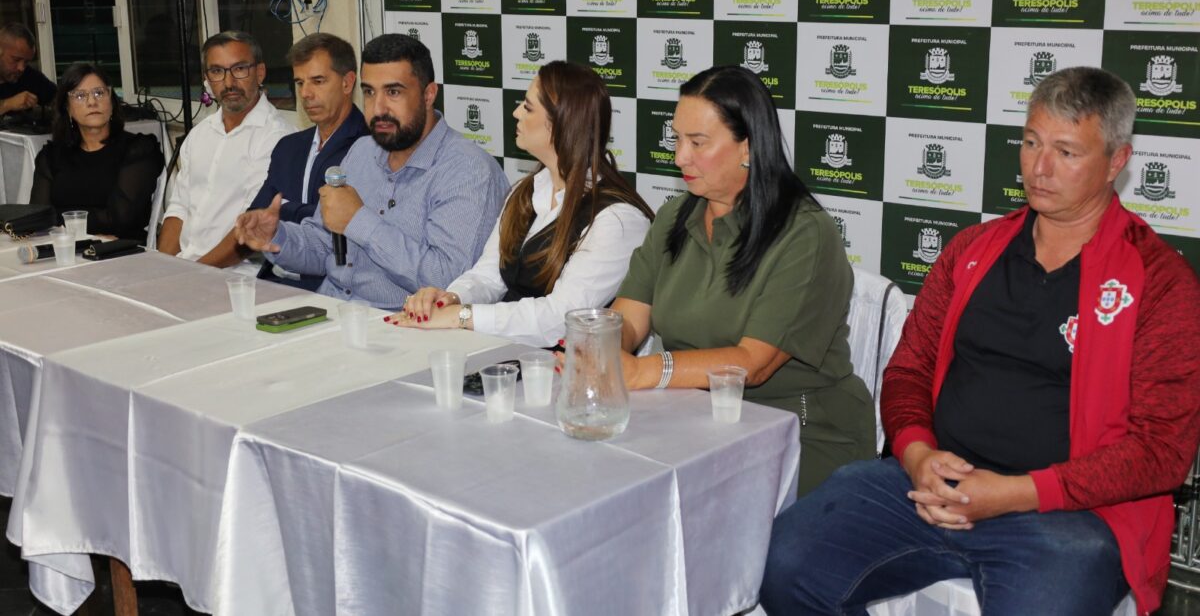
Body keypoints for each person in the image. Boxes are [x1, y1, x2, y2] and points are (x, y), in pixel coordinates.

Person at [759, 67, 1200, 616]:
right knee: (783, 565)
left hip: (1067, 515)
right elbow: (908, 369)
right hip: (928, 486)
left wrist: (1017, 493)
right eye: (1032, 143)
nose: (1039, 168)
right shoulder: (973, 250)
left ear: (1117, 162)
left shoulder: (1159, 281)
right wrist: (918, 454)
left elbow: (1162, 450)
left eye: (1066, 152)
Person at [611, 65, 874, 495]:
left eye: (698, 143)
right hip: (693, 420)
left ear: (747, 146)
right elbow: (629, 318)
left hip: (798, 430)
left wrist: (641, 370)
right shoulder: (675, 217)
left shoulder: (805, 233)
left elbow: (752, 364)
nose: (680, 157)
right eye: (677, 139)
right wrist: (604, 349)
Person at [235, 33, 509, 309]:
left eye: (393, 92)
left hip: (402, 323)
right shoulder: (362, 151)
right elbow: (323, 247)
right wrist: (277, 236)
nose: (378, 108)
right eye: (369, 92)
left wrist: (359, 220)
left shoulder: (468, 171)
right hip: (331, 310)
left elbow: (448, 282)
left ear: (428, 95)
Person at [391, 60, 653, 346]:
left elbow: (562, 318)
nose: (516, 113)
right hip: (512, 355)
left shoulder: (618, 219)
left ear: (561, 123)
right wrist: (449, 299)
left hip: (567, 366)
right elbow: (490, 275)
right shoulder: (524, 191)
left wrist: (462, 316)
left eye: (528, 108)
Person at [158, 30, 295, 265]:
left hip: (237, 274)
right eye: (217, 71)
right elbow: (179, 208)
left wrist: (193, 274)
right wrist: (164, 268)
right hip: (185, 268)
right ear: (207, 79)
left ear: (260, 72)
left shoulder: (279, 139)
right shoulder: (199, 134)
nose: (229, 83)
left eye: (239, 69)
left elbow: (251, 228)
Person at [245, 33, 369, 291]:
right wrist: (310, 211)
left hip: (329, 288)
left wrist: (286, 210)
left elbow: (344, 229)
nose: (306, 94)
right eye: (300, 83)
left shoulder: (368, 146)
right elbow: (257, 216)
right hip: (271, 280)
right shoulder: (288, 146)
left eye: (318, 81)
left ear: (347, 83)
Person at [29, 62, 163, 242]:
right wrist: (89, 226)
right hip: (65, 249)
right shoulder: (51, 156)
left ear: (112, 101)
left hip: (121, 250)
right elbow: (38, 217)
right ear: (67, 108)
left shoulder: (138, 149)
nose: (92, 102)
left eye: (99, 93)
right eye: (80, 96)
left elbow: (121, 219)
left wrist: (63, 218)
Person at [0, 22, 55, 115]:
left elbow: (60, 99)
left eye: (26, 62)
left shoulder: (30, 76)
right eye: (16, 59)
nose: (21, 68)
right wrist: (7, 104)